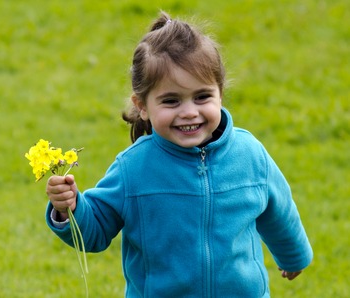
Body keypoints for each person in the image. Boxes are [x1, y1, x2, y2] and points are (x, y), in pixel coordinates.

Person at [45, 11, 313, 297]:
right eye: (171, 101)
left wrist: (293, 255)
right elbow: (96, 229)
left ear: (220, 93)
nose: (189, 112)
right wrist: (69, 209)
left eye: (202, 97)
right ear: (143, 106)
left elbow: (278, 209)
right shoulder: (133, 168)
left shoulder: (249, 155)